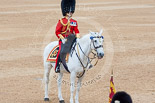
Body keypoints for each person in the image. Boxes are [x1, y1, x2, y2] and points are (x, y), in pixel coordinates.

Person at [55, 0, 80, 73]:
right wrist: (62, 39)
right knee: (61, 51)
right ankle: (57, 66)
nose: (70, 13)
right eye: (69, 12)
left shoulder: (74, 22)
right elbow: (57, 32)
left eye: (71, 12)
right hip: (64, 40)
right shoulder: (61, 21)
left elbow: (76, 31)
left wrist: (78, 38)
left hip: (72, 39)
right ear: (65, 12)